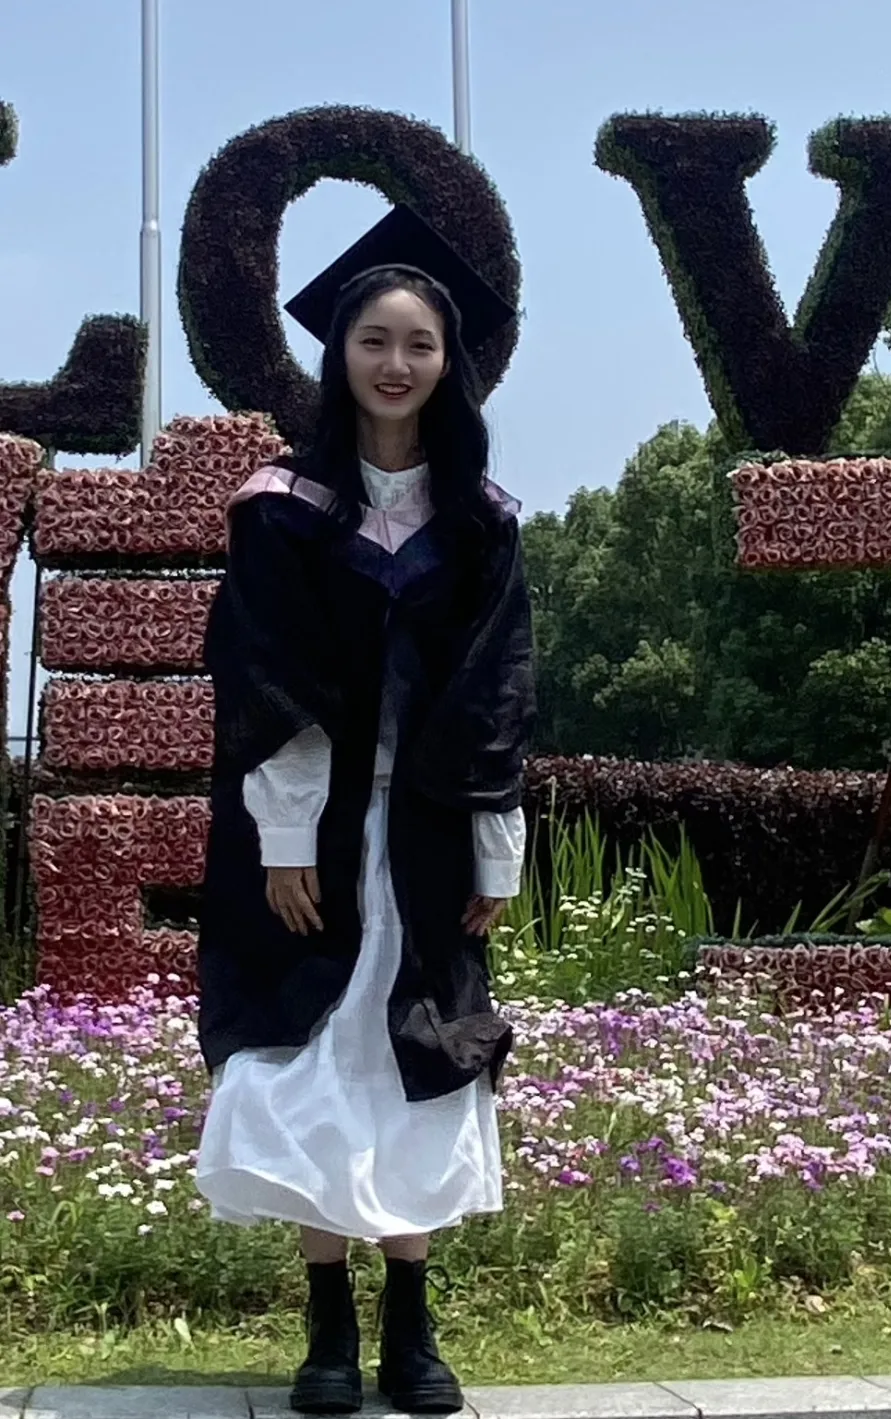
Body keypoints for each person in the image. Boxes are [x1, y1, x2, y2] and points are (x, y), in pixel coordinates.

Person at [194, 205, 536, 1417]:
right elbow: (267, 676)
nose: (397, 363)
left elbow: (499, 692)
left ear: (450, 362)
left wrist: (496, 845)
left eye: (420, 344)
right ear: (339, 353)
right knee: (316, 1059)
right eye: (374, 340)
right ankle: (328, 1327)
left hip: (429, 831)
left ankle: (413, 1324)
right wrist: (286, 838)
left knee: (419, 1057)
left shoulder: (481, 517)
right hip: (315, 831)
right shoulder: (281, 506)